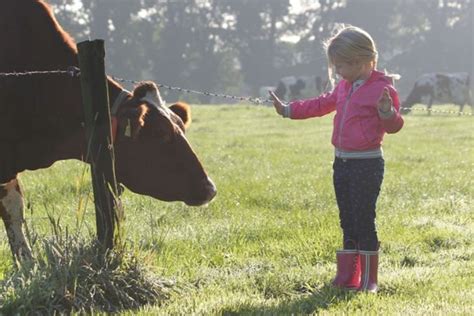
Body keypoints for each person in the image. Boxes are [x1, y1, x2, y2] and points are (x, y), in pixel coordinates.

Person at [269, 25, 404, 293]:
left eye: (340, 66)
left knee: (364, 218)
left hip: (367, 163)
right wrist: (287, 110)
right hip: (341, 162)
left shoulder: (382, 90)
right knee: (347, 217)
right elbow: (320, 104)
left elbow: (395, 126)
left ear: (360, 62)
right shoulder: (344, 87)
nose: (338, 72)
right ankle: (347, 277)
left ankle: (369, 281)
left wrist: (387, 112)